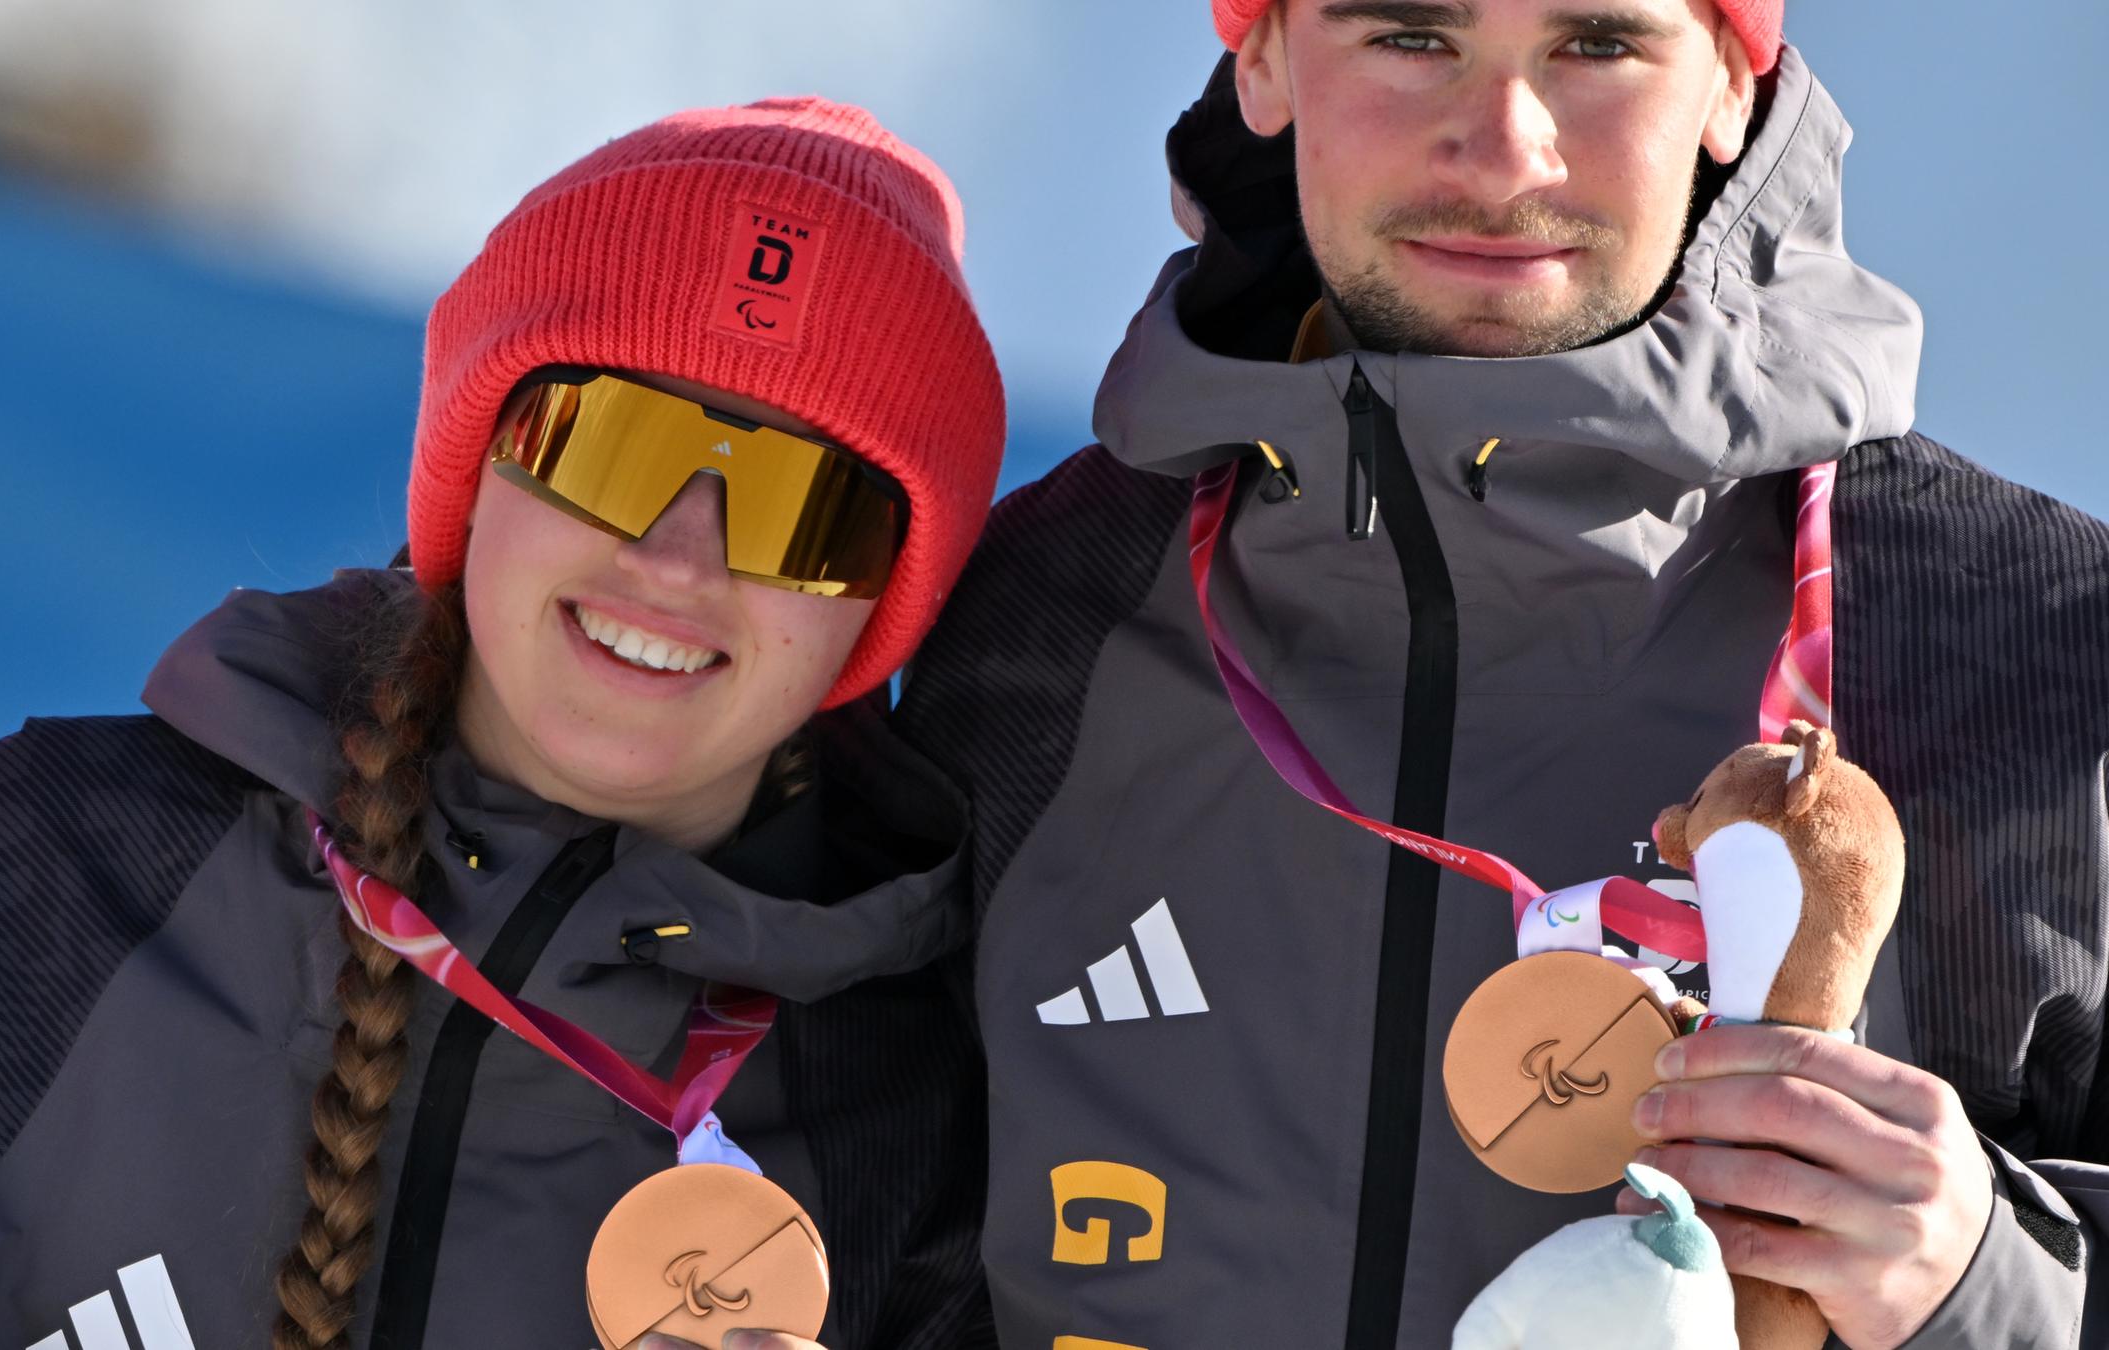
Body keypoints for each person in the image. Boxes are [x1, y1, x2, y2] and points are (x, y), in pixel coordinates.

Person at [895, 1, 2109, 1346]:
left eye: (1598, 45)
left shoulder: (2041, 639)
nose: (1506, 148)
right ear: (1266, 59)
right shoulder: (1029, 612)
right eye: (1413, 38)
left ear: (1731, 84)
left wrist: (1991, 1278)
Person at [0, 96, 1005, 1350]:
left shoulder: (914, 1120)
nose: (678, 557)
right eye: (610, 443)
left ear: (880, 603)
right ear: (475, 464)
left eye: (802, 509)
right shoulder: (63, 863)